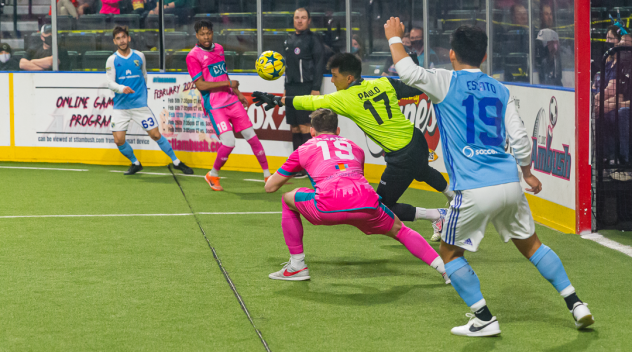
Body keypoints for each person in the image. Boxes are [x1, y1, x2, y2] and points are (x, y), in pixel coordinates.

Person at [385, 19, 594, 336]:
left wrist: (394, 38)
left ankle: (483, 319)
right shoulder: (500, 88)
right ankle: (577, 303)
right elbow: (521, 138)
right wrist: (528, 173)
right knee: (533, 246)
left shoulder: (446, 81)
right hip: (509, 183)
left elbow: (409, 72)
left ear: (452, 54)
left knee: (450, 253)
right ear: (483, 57)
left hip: (472, 187)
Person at [252, 54, 454, 238]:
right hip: (416, 140)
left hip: (401, 156)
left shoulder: (344, 98)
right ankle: (455, 198)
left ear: (349, 78)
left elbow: (310, 101)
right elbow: (415, 89)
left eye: (334, 76)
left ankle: (438, 216)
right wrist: (414, 69)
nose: (331, 80)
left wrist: (279, 100)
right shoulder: (384, 83)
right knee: (423, 170)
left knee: (381, 206)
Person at [264, 108, 449, 283]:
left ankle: (297, 266)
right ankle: (446, 270)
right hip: (366, 203)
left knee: (288, 198)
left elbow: (270, 187)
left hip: (327, 207)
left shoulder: (304, 148)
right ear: (337, 130)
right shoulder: (355, 147)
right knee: (401, 230)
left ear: (312, 131)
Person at [186, 20, 270, 191]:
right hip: (214, 105)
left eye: (208, 32)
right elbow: (201, 85)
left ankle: (268, 175)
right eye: (202, 34)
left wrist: (237, 93)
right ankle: (213, 175)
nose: (206, 36)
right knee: (229, 142)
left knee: (252, 136)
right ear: (196, 35)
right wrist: (229, 83)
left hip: (231, 100)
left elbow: (223, 74)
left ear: (212, 32)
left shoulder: (219, 48)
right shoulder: (192, 56)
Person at [106, 26, 193, 175]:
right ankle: (135, 163)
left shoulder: (139, 56)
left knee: (156, 135)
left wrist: (140, 96)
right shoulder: (112, 60)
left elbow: (144, 76)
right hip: (121, 108)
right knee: (119, 140)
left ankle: (177, 162)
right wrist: (121, 88)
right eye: (118, 38)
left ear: (129, 38)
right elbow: (110, 83)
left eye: (123, 37)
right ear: (115, 41)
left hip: (139, 106)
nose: (122, 41)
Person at [283, 7, 325, 178]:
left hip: (306, 88)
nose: (299, 20)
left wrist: (315, 87)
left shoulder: (313, 40)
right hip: (291, 88)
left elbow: (320, 64)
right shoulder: (288, 40)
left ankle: (309, 166)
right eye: (296, 17)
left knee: (305, 127)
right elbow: (286, 67)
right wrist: (285, 87)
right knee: (294, 128)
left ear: (309, 21)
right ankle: (297, 166)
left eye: (303, 18)